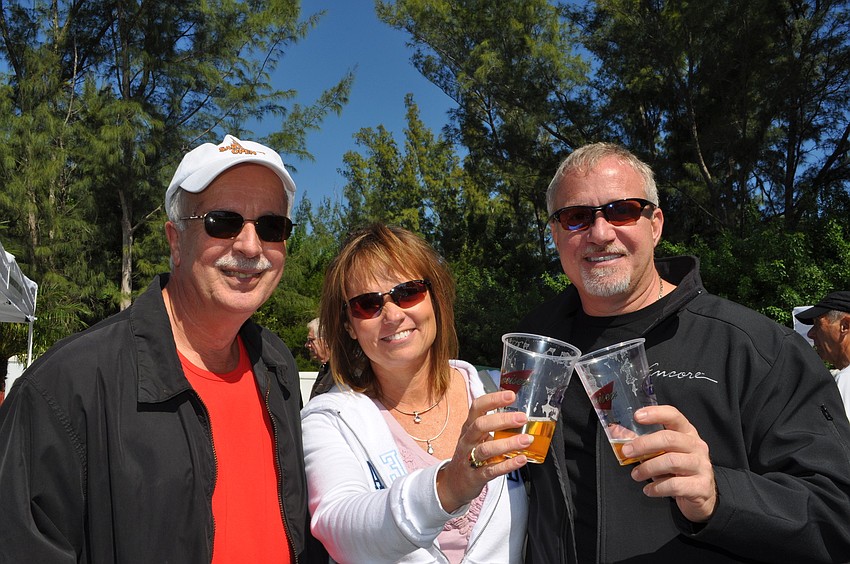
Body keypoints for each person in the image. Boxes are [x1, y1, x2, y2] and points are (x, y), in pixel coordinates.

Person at [518, 142, 850, 563]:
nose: (600, 233)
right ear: (555, 234)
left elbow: (837, 515)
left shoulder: (755, 349)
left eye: (622, 211)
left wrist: (718, 493)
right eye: (576, 217)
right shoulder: (537, 343)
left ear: (655, 224)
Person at [0, 134, 318, 562]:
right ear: (175, 241)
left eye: (271, 226)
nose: (250, 245)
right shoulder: (66, 387)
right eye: (222, 221)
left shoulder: (275, 364)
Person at [301, 223, 528, 563]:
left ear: (434, 298)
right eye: (367, 305)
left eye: (408, 292)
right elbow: (338, 528)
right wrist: (445, 489)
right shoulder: (329, 419)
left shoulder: (503, 391)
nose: (392, 315)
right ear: (348, 325)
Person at [795, 291, 850, 420]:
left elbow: (837, 439)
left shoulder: (846, 380)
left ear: (845, 326)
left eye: (817, 325)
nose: (810, 334)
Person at [306, 317, 333, 398]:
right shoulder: (326, 369)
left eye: (311, 340)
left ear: (326, 340)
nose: (307, 345)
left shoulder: (340, 374)